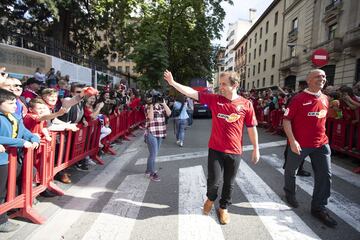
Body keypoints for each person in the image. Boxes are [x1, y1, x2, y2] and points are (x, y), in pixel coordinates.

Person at [164, 70, 260, 225]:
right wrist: (173, 83)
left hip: (235, 152)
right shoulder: (215, 100)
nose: (220, 87)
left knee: (229, 183)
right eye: (220, 84)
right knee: (214, 182)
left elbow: (251, 127)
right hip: (215, 149)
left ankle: (223, 208)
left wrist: (256, 148)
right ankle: (210, 198)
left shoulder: (246, 104)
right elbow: (192, 93)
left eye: (223, 84)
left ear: (234, 85)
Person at [283, 69, 337, 228]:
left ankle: (318, 207)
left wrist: (336, 110)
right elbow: (286, 121)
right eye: (318, 76)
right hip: (299, 144)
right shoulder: (298, 98)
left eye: (324, 76)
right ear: (308, 80)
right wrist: (292, 141)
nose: (322, 78)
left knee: (325, 175)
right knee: (291, 170)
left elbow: (323, 117)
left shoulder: (326, 98)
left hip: (321, 144)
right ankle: (290, 193)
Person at [0, 89, 40, 232]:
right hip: (2, 160)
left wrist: (34, 138)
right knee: (1, 191)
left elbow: (27, 133)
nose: (14, 106)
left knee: (24, 177)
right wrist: (20, 142)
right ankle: (1, 220)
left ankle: (14, 206)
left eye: (14, 103)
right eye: (10, 103)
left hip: (15, 158)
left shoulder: (15, 117)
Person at [144, 90, 171, 182]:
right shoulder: (147, 106)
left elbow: (169, 113)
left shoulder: (160, 106)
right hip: (151, 132)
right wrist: (151, 104)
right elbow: (150, 117)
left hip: (160, 132)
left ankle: (148, 170)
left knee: (154, 154)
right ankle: (152, 173)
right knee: (153, 154)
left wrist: (164, 103)